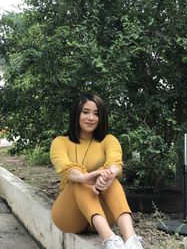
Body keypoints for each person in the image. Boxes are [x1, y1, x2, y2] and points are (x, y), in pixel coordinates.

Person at [50, 93, 144, 249]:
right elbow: (66, 168)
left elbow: (115, 161)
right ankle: (110, 241)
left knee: (111, 179)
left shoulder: (109, 140)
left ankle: (131, 240)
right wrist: (86, 177)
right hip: (69, 217)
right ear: (76, 114)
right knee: (78, 181)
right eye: (85, 112)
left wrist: (109, 173)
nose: (91, 118)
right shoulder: (60, 142)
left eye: (96, 114)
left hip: (100, 218)